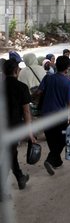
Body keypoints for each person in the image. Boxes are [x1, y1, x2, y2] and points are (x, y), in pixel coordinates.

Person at [37, 56, 70, 176]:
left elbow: (39, 92)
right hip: (60, 116)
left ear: (56, 65)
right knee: (63, 138)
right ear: (67, 68)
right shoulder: (67, 82)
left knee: (51, 139)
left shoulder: (48, 78)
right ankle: (50, 160)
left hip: (45, 114)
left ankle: (57, 161)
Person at [2, 59, 36, 191]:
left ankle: (20, 177)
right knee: (9, 154)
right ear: (16, 71)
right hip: (13, 127)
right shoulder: (21, 87)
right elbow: (26, 111)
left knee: (11, 153)